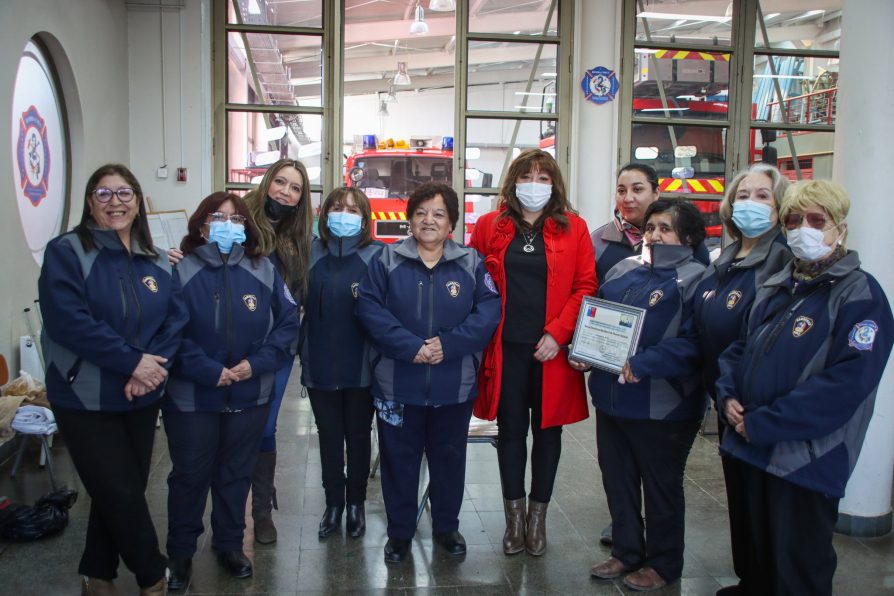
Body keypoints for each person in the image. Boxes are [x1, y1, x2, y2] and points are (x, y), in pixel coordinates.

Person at [715, 179, 893, 595]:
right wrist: (728, 396)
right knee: (755, 551)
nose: (803, 229)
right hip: (749, 446)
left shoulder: (860, 295)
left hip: (803, 458)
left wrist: (764, 422)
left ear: (840, 228)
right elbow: (738, 349)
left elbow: (847, 384)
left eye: (817, 220)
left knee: (797, 567)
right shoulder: (779, 284)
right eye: (794, 220)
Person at [38, 164, 188, 596]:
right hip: (84, 394)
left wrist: (150, 369)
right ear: (90, 202)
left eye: (125, 194)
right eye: (104, 194)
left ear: (138, 202)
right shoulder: (67, 252)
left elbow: (175, 320)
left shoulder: (155, 257)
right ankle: (152, 575)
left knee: (122, 487)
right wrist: (132, 363)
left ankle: (98, 573)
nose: (115, 203)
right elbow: (68, 322)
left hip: (141, 395)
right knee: (119, 490)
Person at [167, 158, 312, 544]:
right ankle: (195, 536)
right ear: (266, 183)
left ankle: (259, 511)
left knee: (262, 428)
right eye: (280, 182)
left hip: (267, 351)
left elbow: (292, 299)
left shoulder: (300, 236)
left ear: (302, 198)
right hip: (210, 361)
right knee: (202, 454)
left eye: (295, 187)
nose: (285, 191)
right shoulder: (239, 217)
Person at [357, 182, 501, 563]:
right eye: (421, 212)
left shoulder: (472, 262)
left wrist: (447, 345)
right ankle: (400, 532)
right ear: (410, 219)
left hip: (454, 384)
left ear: (451, 222)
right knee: (398, 460)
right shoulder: (386, 261)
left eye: (438, 213)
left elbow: (488, 313)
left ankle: (446, 527)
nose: (429, 220)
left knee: (448, 458)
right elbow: (370, 310)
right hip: (396, 382)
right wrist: (411, 347)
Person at [470, 148, 597, 556]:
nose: (535, 185)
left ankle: (538, 519)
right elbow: (474, 280)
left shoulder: (574, 228)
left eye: (544, 178)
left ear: (555, 186)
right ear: (513, 182)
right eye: (528, 176)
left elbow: (585, 287)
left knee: (548, 433)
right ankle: (514, 518)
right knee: (510, 433)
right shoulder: (490, 225)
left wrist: (558, 334)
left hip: (551, 351)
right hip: (505, 350)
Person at [584, 200, 707, 591]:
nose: (654, 234)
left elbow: (700, 344)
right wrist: (584, 350)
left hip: (664, 405)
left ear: (687, 237)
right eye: (651, 227)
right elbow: (597, 317)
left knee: (660, 488)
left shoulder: (699, 280)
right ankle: (626, 551)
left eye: (665, 228)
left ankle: (663, 563)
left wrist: (648, 361)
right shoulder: (624, 268)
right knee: (617, 480)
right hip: (611, 398)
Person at [689, 164, 791, 595]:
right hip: (726, 398)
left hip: (760, 406)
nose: (750, 203)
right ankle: (750, 580)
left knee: (772, 510)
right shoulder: (726, 259)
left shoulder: (783, 261)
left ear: (781, 206)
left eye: (763, 196)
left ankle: (770, 582)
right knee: (741, 500)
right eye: (743, 195)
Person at [300, 187, 383, 539]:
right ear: (325, 213)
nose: (343, 214)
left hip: (362, 366)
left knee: (359, 437)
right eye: (337, 208)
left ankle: (356, 505)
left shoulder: (378, 256)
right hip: (319, 364)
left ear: (364, 218)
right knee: (330, 438)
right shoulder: (309, 253)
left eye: (352, 209)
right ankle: (333, 503)